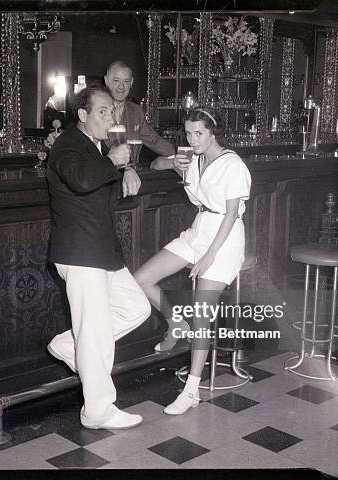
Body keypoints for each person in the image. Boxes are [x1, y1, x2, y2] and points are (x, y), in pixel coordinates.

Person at [46, 85, 151, 429]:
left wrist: (127, 168)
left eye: (112, 111)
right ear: (83, 115)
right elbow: (80, 180)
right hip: (80, 252)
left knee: (136, 307)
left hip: (100, 249)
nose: (110, 118)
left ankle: (68, 345)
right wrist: (112, 162)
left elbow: (102, 177)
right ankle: (97, 410)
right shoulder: (66, 145)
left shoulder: (95, 145)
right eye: (102, 112)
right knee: (95, 332)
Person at [134, 107, 251, 415]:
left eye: (199, 133)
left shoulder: (232, 164)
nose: (192, 138)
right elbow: (157, 163)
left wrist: (209, 256)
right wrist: (174, 160)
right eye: (187, 133)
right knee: (142, 278)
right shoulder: (194, 160)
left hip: (224, 239)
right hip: (197, 231)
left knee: (202, 316)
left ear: (213, 133)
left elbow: (230, 215)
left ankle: (191, 391)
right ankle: (175, 321)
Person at [103, 60, 175, 159]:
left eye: (126, 81)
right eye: (116, 81)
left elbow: (154, 141)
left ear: (131, 82)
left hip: (131, 171)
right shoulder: (97, 109)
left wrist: (180, 154)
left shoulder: (136, 111)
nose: (121, 86)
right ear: (106, 81)